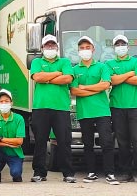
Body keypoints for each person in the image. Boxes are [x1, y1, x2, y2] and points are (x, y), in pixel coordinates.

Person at [70, 36, 118, 185]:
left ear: (93, 49)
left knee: (107, 143)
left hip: (102, 111)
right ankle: (91, 173)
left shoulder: (102, 66)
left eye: (87, 48)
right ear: (78, 51)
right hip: (85, 112)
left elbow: (105, 85)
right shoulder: (75, 69)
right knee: (88, 144)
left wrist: (85, 87)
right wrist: (93, 89)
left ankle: (110, 173)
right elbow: (74, 91)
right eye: (82, 48)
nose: (85, 51)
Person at [29, 34, 76, 183]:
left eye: (53, 45)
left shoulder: (65, 61)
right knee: (40, 141)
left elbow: (68, 78)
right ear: (42, 48)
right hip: (40, 107)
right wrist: (57, 74)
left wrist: (47, 78)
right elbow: (37, 77)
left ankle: (67, 173)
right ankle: (39, 172)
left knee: (64, 141)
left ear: (57, 47)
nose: (50, 48)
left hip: (61, 108)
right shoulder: (36, 61)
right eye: (47, 46)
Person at [106, 34, 137, 184]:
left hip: (136, 107)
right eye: (117, 44)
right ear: (114, 47)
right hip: (117, 106)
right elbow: (111, 80)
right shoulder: (109, 63)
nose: (120, 47)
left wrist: (121, 76)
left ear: (128, 46)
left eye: (122, 44)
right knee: (122, 141)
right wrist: (131, 73)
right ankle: (125, 172)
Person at [0, 89, 26, 184]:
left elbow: (19, 142)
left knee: (16, 175)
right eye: (1, 101)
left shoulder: (19, 118)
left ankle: (16, 170)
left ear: (11, 103)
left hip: (14, 153)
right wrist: (9, 144)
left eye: (6, 101)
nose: (4, 103)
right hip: (0, 151)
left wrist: (0, 139)